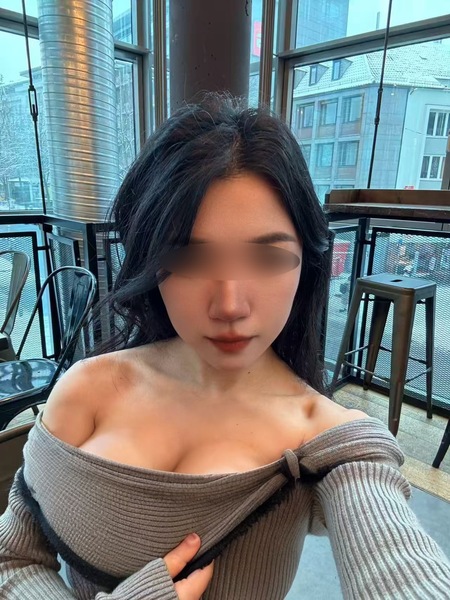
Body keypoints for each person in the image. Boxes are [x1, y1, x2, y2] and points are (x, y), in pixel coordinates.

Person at [1, 94, 449, 600]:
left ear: (307, 264)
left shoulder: (325, 439)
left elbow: (400, 564)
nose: (230, 305)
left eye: (268, 258)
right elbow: (12, 559)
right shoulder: (88, 388)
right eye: (190, 259)